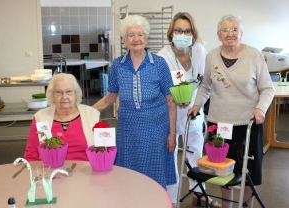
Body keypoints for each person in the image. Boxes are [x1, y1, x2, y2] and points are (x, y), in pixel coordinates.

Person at [188, 14, 275, 208]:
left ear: (241, 33)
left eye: (235, 29)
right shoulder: (211, 56)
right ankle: (227, 206)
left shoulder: (254, 55)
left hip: (249, 123)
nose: (230, 34)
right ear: (219, 35)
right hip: (219, 124)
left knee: (249, 171)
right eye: (225, 30)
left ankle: (246, 206)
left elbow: (268, 88)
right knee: (222, 169)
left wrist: (260, 109)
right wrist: (197, 104)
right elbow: (205, 86)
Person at [92, 15, 177, 189]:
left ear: (147, 38)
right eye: (131, 35)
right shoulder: (118, 65)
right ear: (124, 40)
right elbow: (110, 97)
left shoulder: (159, 63)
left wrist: (172, 133)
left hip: (155, 127)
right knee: (128, 171)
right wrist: (84, 111)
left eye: (140, 34)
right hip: (128, 129)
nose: (136, 39)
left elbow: (171, 100)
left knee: (154, 170)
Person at [158, 12, 220, 208]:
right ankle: (171, 199)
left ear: (192, 33)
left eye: (187, 31)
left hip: (194, 109)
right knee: (170, 154)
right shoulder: (163, 56)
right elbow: (162, 88)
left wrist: (196, 104)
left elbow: (207, 81)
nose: (182, 34)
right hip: (169, 112)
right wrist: (176, 98)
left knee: (195, 153)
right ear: (171, 32)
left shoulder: (199, 51)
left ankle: (198, 194)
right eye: (178, 30)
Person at [24, 73, 100, 161]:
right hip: (51, 171)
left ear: (76, 94)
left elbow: (104, 151)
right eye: (58, 92)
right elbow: (31, 154)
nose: (64, 96)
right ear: (52, 96)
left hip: (86, 170)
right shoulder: (40, 118)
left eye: (69, 91)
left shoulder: (92, 115)